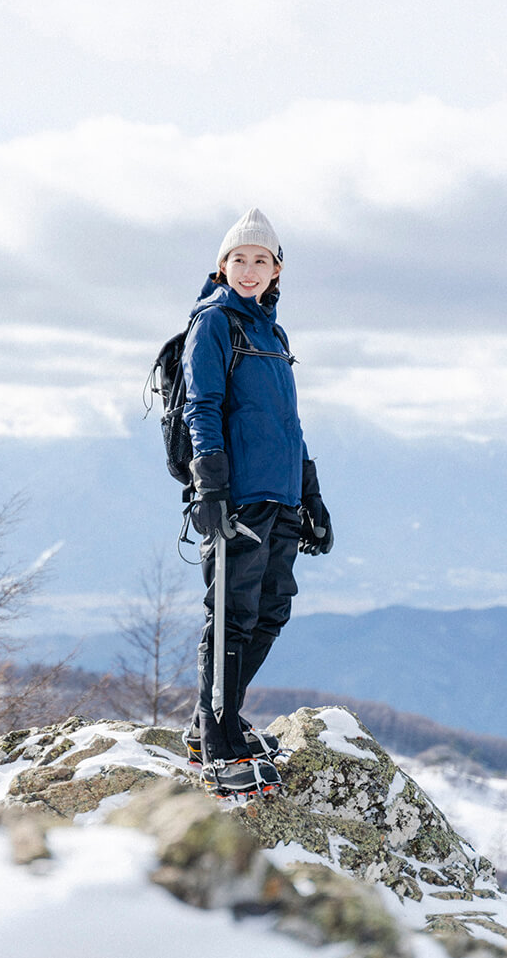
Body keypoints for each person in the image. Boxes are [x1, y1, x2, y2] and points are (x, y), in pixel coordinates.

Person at [180, 207, 333, 799]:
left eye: (260, 260)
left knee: (270, 612)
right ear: (222, 267)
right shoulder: (215, 323)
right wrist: (210, 486)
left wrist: (311, 495)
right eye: (238, 260)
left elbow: (289, 423)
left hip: (282, 494)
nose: (249, 269)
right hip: (238, 494)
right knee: (232, 618)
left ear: (277, 270)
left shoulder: (273, 333)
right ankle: (216, 748)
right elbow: (202, 407)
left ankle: (212, 722)